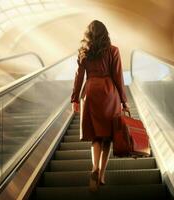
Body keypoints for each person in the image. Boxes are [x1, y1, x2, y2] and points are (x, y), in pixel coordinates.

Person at [71, 20, 129, 192]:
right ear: (106, 33)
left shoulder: (84, 53)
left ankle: (94, 168)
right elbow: (118, 76)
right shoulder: (113, 51)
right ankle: (102, 175)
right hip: (109, 92)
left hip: (89, 93)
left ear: (88, 35)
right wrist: (124, 101)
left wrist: (75, 98)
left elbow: (78, 76)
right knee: (108, 136)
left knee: (96, 136)